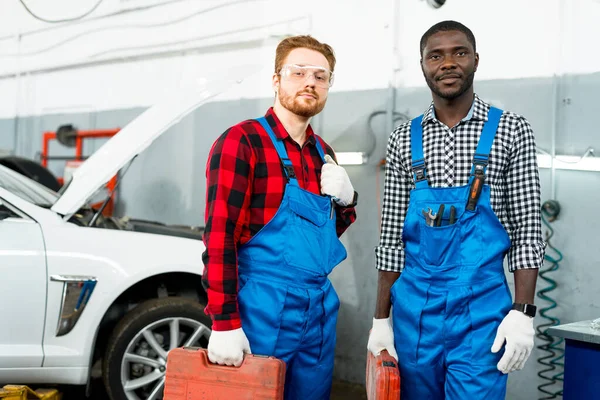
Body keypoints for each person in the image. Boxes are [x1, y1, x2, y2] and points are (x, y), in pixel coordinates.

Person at [367, 20, 546, 399]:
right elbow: (391, 239)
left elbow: (528, 228)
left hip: (480, 311)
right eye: (436, 55)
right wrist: (381, 319)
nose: (448, 63)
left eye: (459, 52)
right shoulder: (403, 138)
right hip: (414, 313)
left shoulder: (511, 130)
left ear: (476, 60)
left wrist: (523, 311)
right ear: (423, 65)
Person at [201, 35, 358, 400]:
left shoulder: (324, 153)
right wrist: (224, 321)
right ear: (276, 80)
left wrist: (349, 200)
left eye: (321, 76)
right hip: (261, 305)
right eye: (298, 72)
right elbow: (220, 237)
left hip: (318, 308)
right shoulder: (242, 141)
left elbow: (324, 233)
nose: (310, 82)